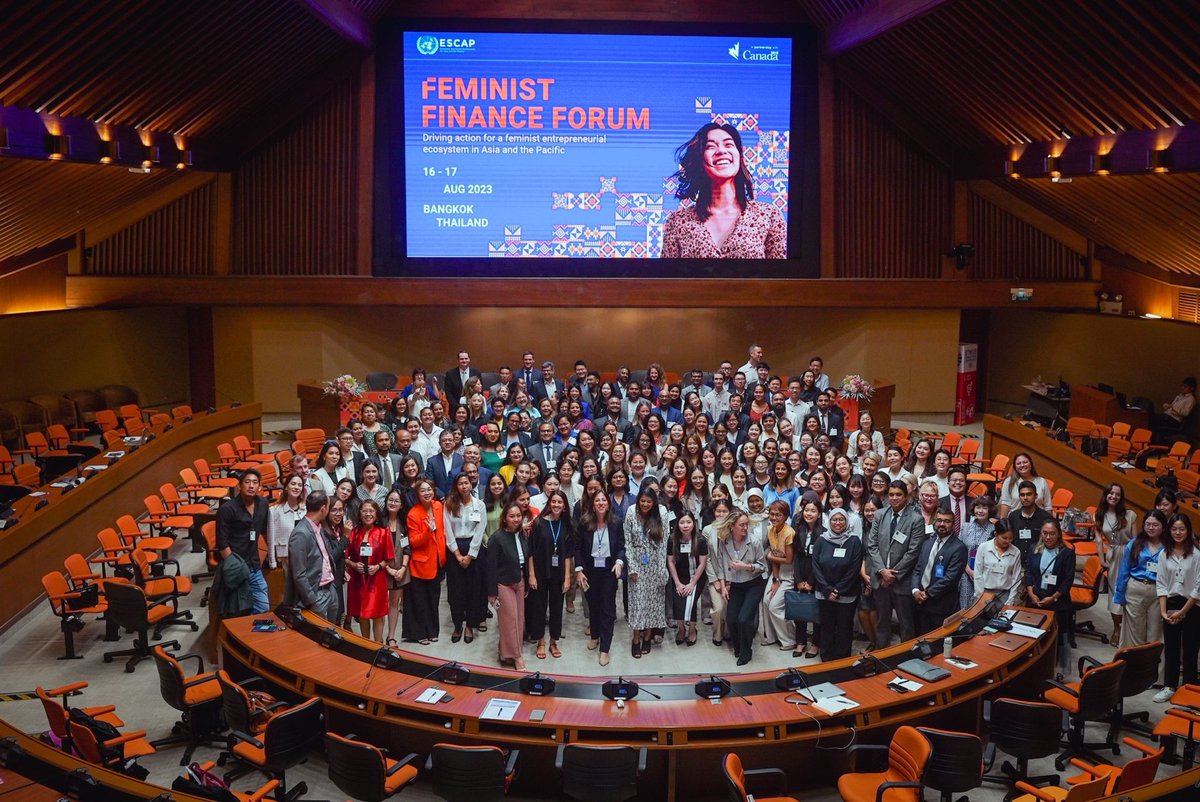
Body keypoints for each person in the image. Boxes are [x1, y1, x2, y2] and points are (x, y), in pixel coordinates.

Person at [661, 123, 785, 259]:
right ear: (699, 159)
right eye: (710, 146)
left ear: (739, 156)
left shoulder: (769, 216)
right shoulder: (677, 222)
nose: (721, 151)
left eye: (728, 144)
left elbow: (783, 271)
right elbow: (667, 273)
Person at [865, 480, 927, 646]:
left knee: (906, 624)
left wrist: (892, 575)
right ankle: (882, 654)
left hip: (902, 581)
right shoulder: (880, 515)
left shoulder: (916, 519)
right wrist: (882, 571)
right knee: (882, 623)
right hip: (880, 580)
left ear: (906, 497)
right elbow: (872, 545)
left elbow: (913, 552)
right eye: (891, 494)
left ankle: (907, 656)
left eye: (898, 494)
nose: (894, 498)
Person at [575, 491, 625, 667]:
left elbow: (621, 546)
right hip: (589, 571)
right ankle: (595, 636)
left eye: (604, 500)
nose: (601, 503)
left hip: (609, 571)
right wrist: (579, 569)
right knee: (593, 606)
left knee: (607, 609)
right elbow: (578, 547)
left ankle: (605, 648)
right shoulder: (584, 522)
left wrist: (619, 562)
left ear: (609, 504)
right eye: (597, 500)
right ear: (593, 504)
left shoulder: (616, 523)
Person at [1155, 514, 1200, 702]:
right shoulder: (1164, 554)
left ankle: (1188, 689)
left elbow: (1198, 587)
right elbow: (1161, 584)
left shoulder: (1196, 555)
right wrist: (1163, 611)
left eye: (1182, 529)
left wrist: (1183, 612)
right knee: (1171, 648)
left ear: (1188, 531)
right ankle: (1170, 686)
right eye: (1174, 529)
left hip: (1192, 605)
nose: (1178, 533)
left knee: (1191, 648)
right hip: (1171, 603)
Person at [486, 502, 534, 672]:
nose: (516, 519)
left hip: (519, 581)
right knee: (510, 620)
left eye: (518, 516)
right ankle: (517, 656)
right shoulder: (496, 539)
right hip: (503, 584)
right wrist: (492, 593)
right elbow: (490, 567)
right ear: (504, 518)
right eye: (512, 516)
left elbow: (526, 559)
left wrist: (527, 582)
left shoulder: (522, 535)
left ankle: (504, 652)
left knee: (519, 619)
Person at [216, 469, 271, 614]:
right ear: (239, 486)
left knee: (263, 606)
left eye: (255, 482)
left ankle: (250, 627)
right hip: (236, 565)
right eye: (247, 482)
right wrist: (235, 567)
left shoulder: (263, 503)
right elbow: (222, 542)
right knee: (237, 609)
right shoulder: (227, 509)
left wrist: (270, 555)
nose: (251, 486)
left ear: (259, 486)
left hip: (253, 564)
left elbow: (265, 531)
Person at [528, 490, 575, 659]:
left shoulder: (567, 525)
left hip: (559, 573)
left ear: (564, 506)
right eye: (553, 502)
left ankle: (553, 641)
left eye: (559, 502)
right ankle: (540, 641)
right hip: (540, 571)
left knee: (557, 608)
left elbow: (568, 554)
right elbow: (531, 551)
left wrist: (567, 578)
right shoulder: (538, 523)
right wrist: (531, 575)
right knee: (539, 607)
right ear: (549, 504)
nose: (556, 505)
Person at [812, 508, 863, 661]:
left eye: (841, 519)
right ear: (829, 521)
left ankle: (842, 659)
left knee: (844, 627)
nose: (838, 523)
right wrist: (827, 590)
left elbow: (854, 568)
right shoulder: (821, 540)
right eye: (834, 519)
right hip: (824, 593)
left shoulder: (854, 541)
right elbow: (815, 566)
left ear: (847, 522)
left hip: (846, 594)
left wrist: (838, 589)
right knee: (826, 626)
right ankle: (827, 658)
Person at [1026, 520, 1075, 678]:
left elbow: (1068, 580)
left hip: (1057, 601)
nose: (1048, 537)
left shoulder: (1067, 553)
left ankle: (1058, 671)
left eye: (1052, 534)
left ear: (1058, 534)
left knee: (1058, 639)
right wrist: (1031, 593)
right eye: (1045, 533)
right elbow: (1029, 573)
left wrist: (1053, 598)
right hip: (1036, 599)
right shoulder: (1034, 549)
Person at [1113, 511, 1168, 650]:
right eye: (1148, 524)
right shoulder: (1135, 543)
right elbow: (1124, 570)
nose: (1151, 528)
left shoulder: (1169, 546)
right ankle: (1135, 663)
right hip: (1135, 588)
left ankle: (1153, 663)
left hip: (1158, 592)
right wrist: (1119, 595)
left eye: (1155, 525)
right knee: (1134, 632)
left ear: (1163, 527)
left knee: (1156, 632)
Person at [625, 487, 669, 658]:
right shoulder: (631, 512)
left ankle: (648, 636)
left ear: (654, 502)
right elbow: (627, 542)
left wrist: (662, 568)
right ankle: (636, 638)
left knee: (652, 601)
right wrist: (631, 567)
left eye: (649, 501)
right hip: (636, 563)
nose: (645, 504)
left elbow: (664, 543)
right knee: (637, 602)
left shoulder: (661, 514)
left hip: (655, 563)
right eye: (642, 501)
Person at [720, 511, 768, 666]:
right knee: (731, 619)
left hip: (754, 584)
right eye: (742, 525)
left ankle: (746, 652)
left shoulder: (754, 541)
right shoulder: (725, 542)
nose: (745, 528)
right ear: (732, 526)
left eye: (747, 524)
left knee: (744, 619)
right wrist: (724, 585)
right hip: (736, 585)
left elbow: (763, 567)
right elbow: (721, 565)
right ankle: (738, 647)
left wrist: (746, 566)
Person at [911, 509, 969, 636]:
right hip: (920, 603)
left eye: (947, 521)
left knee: (938, 642)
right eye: (939, 520)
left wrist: (927, 593)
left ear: (953, 524)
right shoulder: (927, 543)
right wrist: (915, 590)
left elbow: (950, 578)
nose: (942, 524)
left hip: (941, 607)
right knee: (921, 639)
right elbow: (918, 569)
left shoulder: (959, 548)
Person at [444, 473, 486, 645]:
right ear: (456, 486)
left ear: (471, 484)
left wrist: (469, 555)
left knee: (474, 589)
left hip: (473, 549)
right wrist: (457, 554)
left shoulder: (479, 505)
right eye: (460, 483)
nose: (463, 486)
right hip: (454, 550)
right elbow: (447, 530)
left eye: (466, 483)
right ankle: (457, 625)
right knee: (455, 590)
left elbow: (480, 531)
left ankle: (470, 625)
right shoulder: (449, 504)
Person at [283, 490, 338, 621]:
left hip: (330, 588)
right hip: (316, 593)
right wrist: (312, 599)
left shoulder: (319, 527)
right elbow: (299, 573)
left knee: (332, 631)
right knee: (319, 633)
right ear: (323, 508)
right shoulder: (300, 533)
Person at [344, 500, 393, 641]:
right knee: (362, 614)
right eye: (364, 511)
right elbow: (344, 556)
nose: (368, 514)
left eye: (371, 511)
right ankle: (366, 645)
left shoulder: (383, 532)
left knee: (377, 614)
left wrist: (378, 566)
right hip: (358, 580)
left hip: (376, 580)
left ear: (376, 514)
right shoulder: (354, 533)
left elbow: (389, 558)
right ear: (359, 514)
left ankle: (378, 645)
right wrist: (353, 565)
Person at [404, 478, 446, 644]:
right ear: (417, 494)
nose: (427, 493)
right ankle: (420, 633)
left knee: (433, 599)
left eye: (429, 489)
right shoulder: (413, 514)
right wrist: (427, 532)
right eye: (423, 491)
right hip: (421, 564)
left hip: (438, 561)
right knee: (420, 601)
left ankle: (433, 631)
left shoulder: (438, 506)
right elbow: (414, 541)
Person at [666, 511, 708, 646]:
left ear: (694, 524)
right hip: (679, 577)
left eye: (688, 522)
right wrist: (678, 583)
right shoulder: (672, 539)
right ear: (677, 524)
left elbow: (702, 563)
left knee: (691, 601)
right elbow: (670, 562)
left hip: (696, 577)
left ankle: (692, 629)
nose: (685, 525)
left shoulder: (700, 540)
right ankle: (681, 629)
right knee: (678, 601)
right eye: (682, 522)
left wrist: (692, 584)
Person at [760, 500, 796, 652]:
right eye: (772, 514)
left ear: (786, 516)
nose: (774, 517)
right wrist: (775, 580)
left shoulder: (789, 533)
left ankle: (789, 639)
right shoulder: (770, 530)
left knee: (775, 606)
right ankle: (771, 637)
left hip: (789, 573)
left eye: (778, 515)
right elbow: (774, 556)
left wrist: (769, 557)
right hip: (777, 572)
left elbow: (789, 560)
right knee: (766, 601)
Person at [381, 490, 411, 646]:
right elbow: (376, 549)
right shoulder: (380, 522)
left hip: (400, 570)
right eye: (390, 500)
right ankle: (378, 637)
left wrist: (403, 568)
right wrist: (387, 569)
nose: (392, 503)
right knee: (380, 604)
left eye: (396, 501)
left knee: (394, 602)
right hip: (381, 570)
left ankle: (391, 636)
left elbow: (407, 548)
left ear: (401, 505)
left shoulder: (404, 523)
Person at [972, 520, 1024, 605]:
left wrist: (1010, 600)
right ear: (996, 534)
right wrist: (980, 597)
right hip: (985, 593)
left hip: (1005, 595)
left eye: (1010, 538)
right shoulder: (984, 547)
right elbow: (978, 574)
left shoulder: (1016, 552)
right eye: (1004, 538)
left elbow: (1016, 579)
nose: (1008, 541)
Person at [958, 495, 996, 608]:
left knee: (983, 607)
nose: (980, 511)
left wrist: (978, 574)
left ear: (990, 510)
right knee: (965, 609)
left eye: (984, 508)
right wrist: (969, 571)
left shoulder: (994, 530)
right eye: (978, 507)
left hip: (986, 575)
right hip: (966, 573)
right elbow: (959, 552)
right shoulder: (965, 527)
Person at [1006, 480, 1055, 559]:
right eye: (1022, 495)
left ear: (1036, 496)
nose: (1025, 498)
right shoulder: (1013, 516)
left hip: (1038, 560)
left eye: (1029, 494)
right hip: (1017, 560)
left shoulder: (1045, 517)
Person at [322, 497, 352, 626]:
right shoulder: (323, 531)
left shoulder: (337, 528)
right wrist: (345, 537)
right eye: (334, 510)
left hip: (338, 578)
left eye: (341, 510)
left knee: (339, 616)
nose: (338, 513)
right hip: (328, 583)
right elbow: (331, 557)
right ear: (326, 511)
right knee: (332, 620)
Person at [268, 473, 306, 571]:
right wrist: (272, 562)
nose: (296, 487)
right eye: (293, 484)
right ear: (286, 487)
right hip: (285, 558)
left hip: (306, 555)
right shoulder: (274, 511)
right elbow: (271, 538)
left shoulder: (306, 510)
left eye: (299, 485)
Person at [997, 453, 1052, 517]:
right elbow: (1006, 504)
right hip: (1015, 519)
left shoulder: (1042, 481)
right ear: (1015, 467)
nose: (1022, 465)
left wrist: (1049, 521)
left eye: (1025, 462)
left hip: (1038, 519)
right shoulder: (1009, 482)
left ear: (1031, 464)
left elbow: (1048, 506)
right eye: (1018, 463)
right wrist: (1003, 521)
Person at [1152, 377, 1197, 443]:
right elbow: (1173, 407)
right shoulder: (1180, 396)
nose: (1182, 388)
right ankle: (1150, 441)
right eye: (1182, 386)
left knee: (1154, 420)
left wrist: (1173, 407)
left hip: (1174, 420)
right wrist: (1168, 406)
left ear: (1192, 388)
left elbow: (1186, 413)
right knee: (1150, 418)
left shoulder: (1191, 399)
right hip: (1168, 416)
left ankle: (1154, 443)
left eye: (1185, 387)